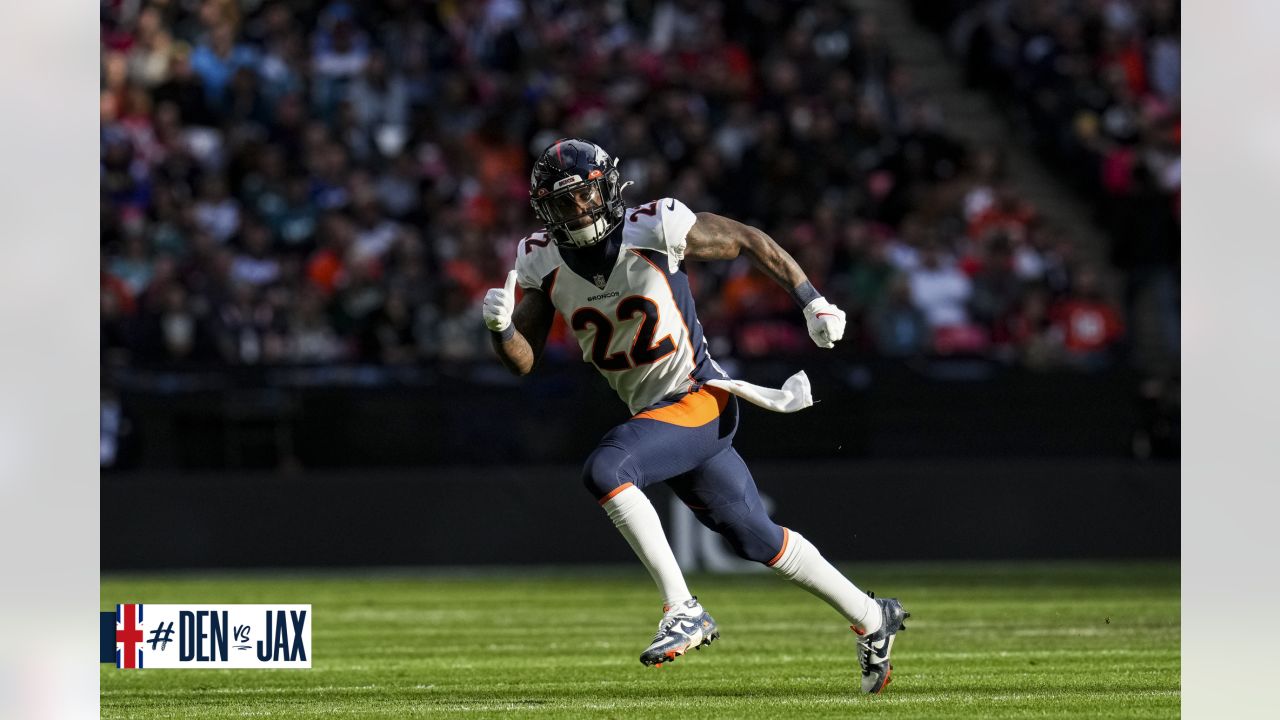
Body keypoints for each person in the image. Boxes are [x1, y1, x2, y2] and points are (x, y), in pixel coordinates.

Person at [481, 139, 909, 694]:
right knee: (756, 538)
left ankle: (682, 608)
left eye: (586, 196)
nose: (580, 211)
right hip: (659, 415)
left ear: (608, 189)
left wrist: (811, 299)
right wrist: (501, 331)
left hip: (698, 398)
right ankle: (875, 618)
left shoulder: (654, 227)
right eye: (565, 204)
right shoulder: (541, 260)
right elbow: (523, 361)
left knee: (607, 469)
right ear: (546, 211)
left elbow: (749, 240)